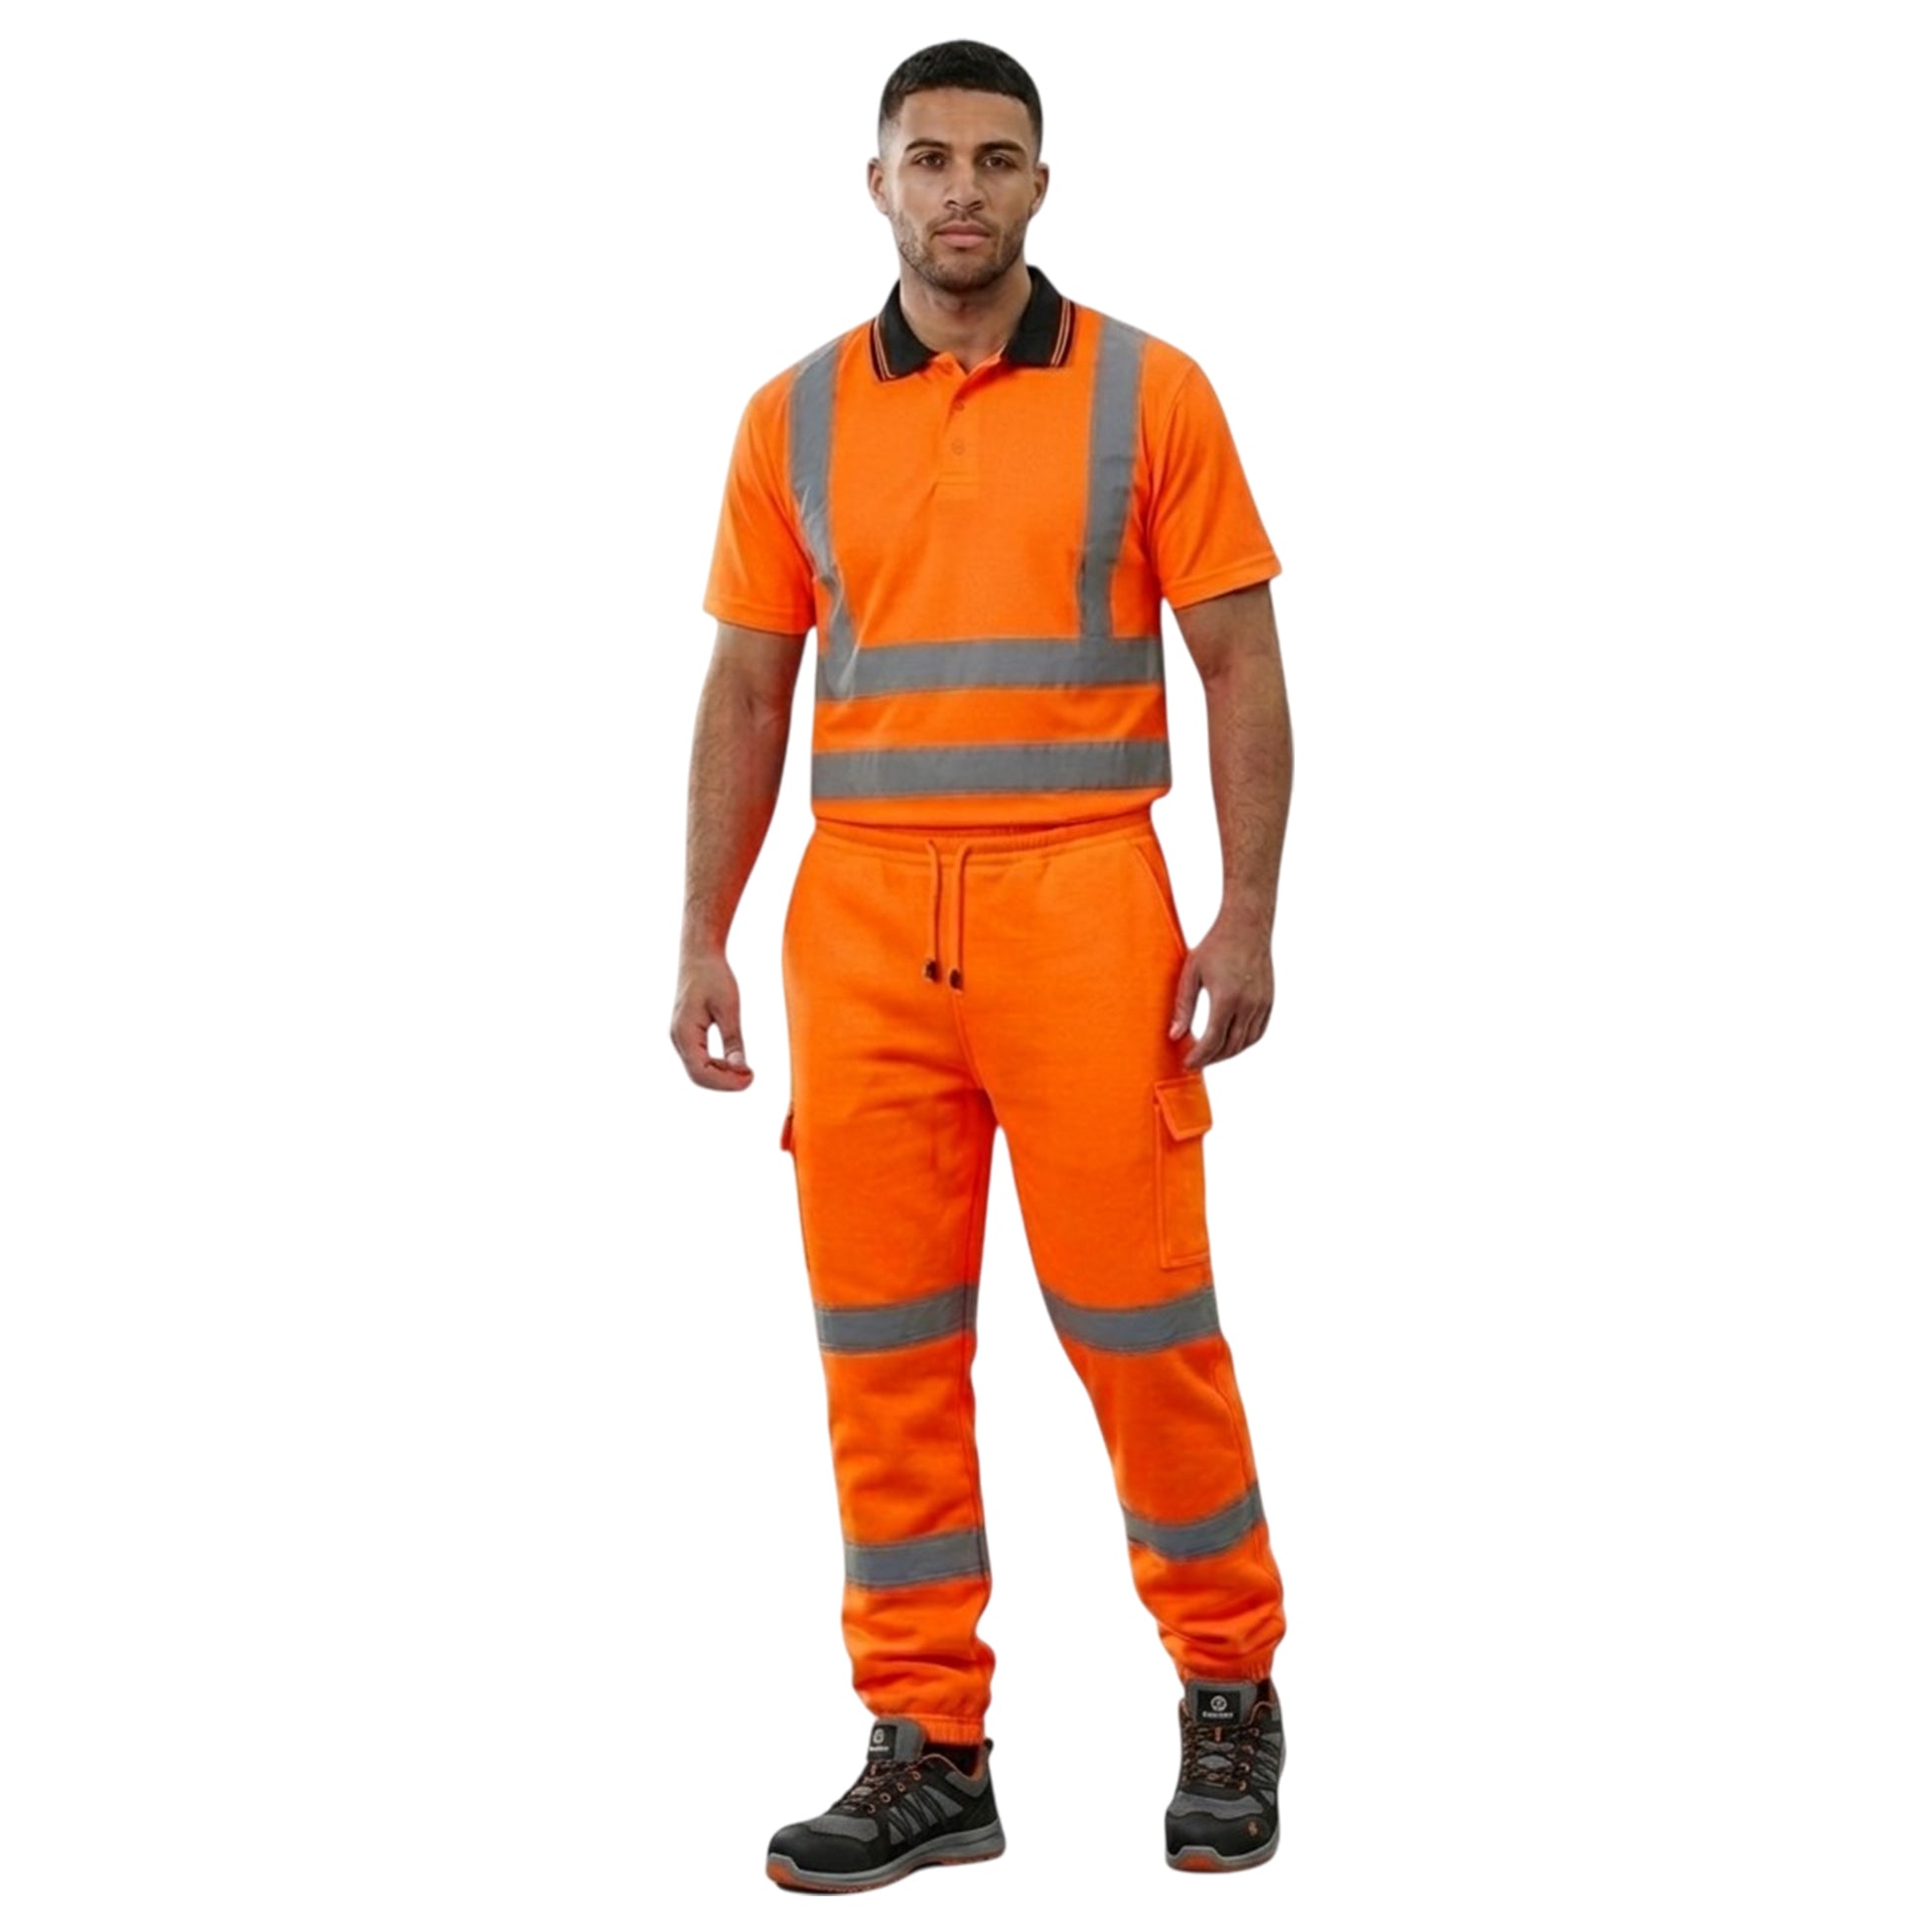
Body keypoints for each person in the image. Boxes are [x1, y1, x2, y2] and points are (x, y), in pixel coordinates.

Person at [671, 40, 1293, 1889]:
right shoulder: (788, 417)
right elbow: (746, 689)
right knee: (883, 1347)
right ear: (877, 183)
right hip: (858, 922)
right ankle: (926, 1741)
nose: (961, 188)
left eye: (995, 159)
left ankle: (1226, 1683)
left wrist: (1244, 910)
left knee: (1141, 1326)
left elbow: (1240, 665)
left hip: (1085, 907)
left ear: (1039, 184)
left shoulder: (1150, 392)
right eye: (928, 157)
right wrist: (700, 931)